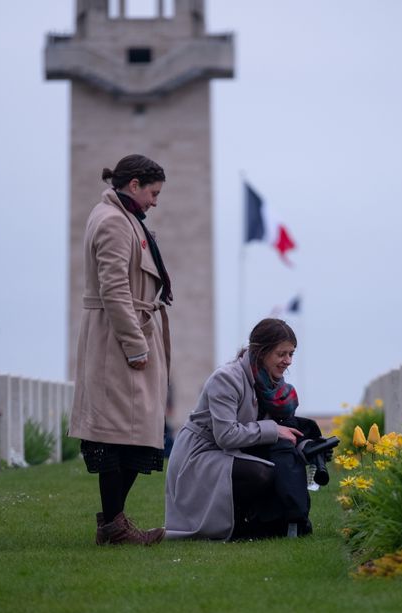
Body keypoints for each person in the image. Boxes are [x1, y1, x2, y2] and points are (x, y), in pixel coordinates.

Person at [69, 154, 173, 546]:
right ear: (134, 185)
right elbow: (115, 291)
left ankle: (113, 523)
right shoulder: (113, 221)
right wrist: (134, 346)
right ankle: (112, 526)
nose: (155, 201)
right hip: (119, 340)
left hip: (126, 333)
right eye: (153, 192)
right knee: (118, 435)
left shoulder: (120, 216)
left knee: (130, 433)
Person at [165, 318, 318, 541]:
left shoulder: (274, 386)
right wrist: (273, 430)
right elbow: (225, 436)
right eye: (281, 354)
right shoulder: (226, 378)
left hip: (231, 451)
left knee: (278, 465)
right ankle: (238, 526)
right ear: (261, 352)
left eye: (291, 354)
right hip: (200, 455)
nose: (287, 361)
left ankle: (262, 522)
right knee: (261, 473)